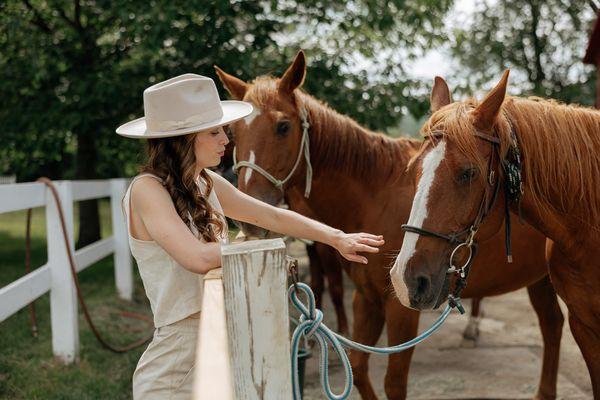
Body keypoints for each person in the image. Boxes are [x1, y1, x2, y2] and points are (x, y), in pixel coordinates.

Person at [116, 73, 385, 399]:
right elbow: (197, 258)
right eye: (214, 132)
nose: (226, 142)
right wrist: (266, 249)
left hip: (224, 338)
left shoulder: (206, 183)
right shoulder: (148, 190)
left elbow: (269, 214)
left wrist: (337, 237)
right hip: (178, 361)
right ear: (183, 138)